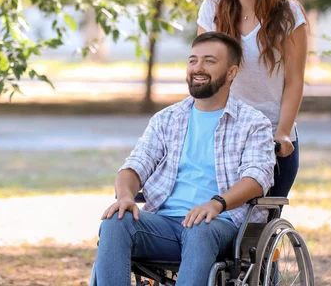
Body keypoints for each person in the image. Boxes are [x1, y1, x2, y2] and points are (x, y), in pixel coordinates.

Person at [90, 32, 275, 286]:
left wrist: (216, 204)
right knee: (115, 221)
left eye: (209, 61)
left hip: (218, 225)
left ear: (231, 73)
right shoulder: (167, 119)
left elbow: (256, 178)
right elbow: (133, 167)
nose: (198, 68)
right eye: (193, 60)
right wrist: (125, 197)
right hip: (163, 225)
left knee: (199, 228)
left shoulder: (253, 123)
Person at [197, 0, 308, 199]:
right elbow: (202, 75)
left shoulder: (288, 14)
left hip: (269, 138)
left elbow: (294, 81)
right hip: (221, 136)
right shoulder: (213, 7)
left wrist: (282, 133)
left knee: (256, 230)